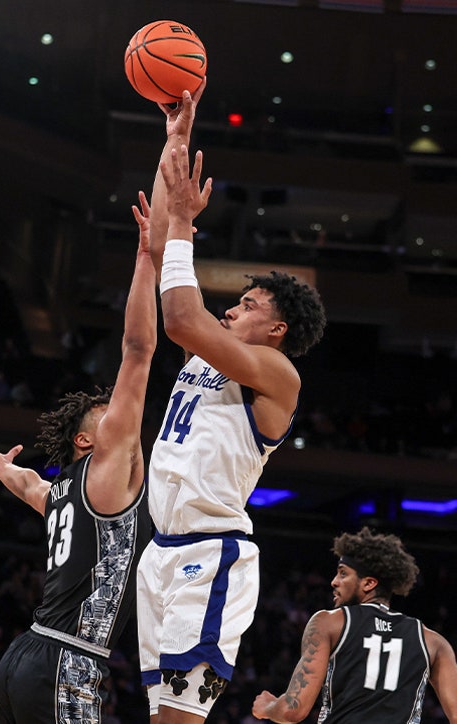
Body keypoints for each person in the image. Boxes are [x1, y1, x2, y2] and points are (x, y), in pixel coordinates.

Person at [137, 86, 328, 724]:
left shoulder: (277, 374)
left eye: (247, 306)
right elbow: (164, 256)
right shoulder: (209, 354)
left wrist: (190, 222)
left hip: (209, 554)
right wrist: (175, 139)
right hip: (160, 550)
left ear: (277, 330)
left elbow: (182, 314)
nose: (231, 308)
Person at [0, 192, 157, 724]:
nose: (122, 415)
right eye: (108, 415)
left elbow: (28, 485)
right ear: (89, 443)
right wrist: (147, 258)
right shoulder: (105, 473)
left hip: (28, 655)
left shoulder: (65, 492)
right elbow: (138, 350)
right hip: (69, 658)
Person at [251, 528, 457, 724]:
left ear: (368, 583)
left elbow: (294, 710)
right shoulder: (433, 641)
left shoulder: (328, 622)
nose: (334, 582)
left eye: (343, 573)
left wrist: (269, 707)